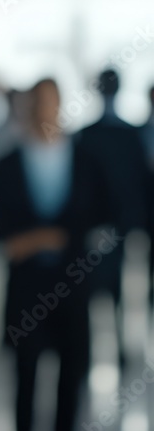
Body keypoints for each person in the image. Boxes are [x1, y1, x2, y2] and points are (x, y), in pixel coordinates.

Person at [0, 78, 104, 431]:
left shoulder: (85, 159)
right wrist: (40, 239)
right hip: (26, 289)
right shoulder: (7, 164)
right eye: (37, 102)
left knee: (71, 376)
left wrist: (47, 239)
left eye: (50, 102)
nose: (43, 110)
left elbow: (101, 214)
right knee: (25, 375)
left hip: (71, 286)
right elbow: (4, 238)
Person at [77, 68, 150, 368]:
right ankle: (98, 349)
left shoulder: (126, 134)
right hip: (97, 225)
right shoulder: (92, 134)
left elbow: (139, 182)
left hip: (119, 224)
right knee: (95, 288)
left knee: (117, 288)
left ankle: (119, 347)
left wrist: (135, 223)